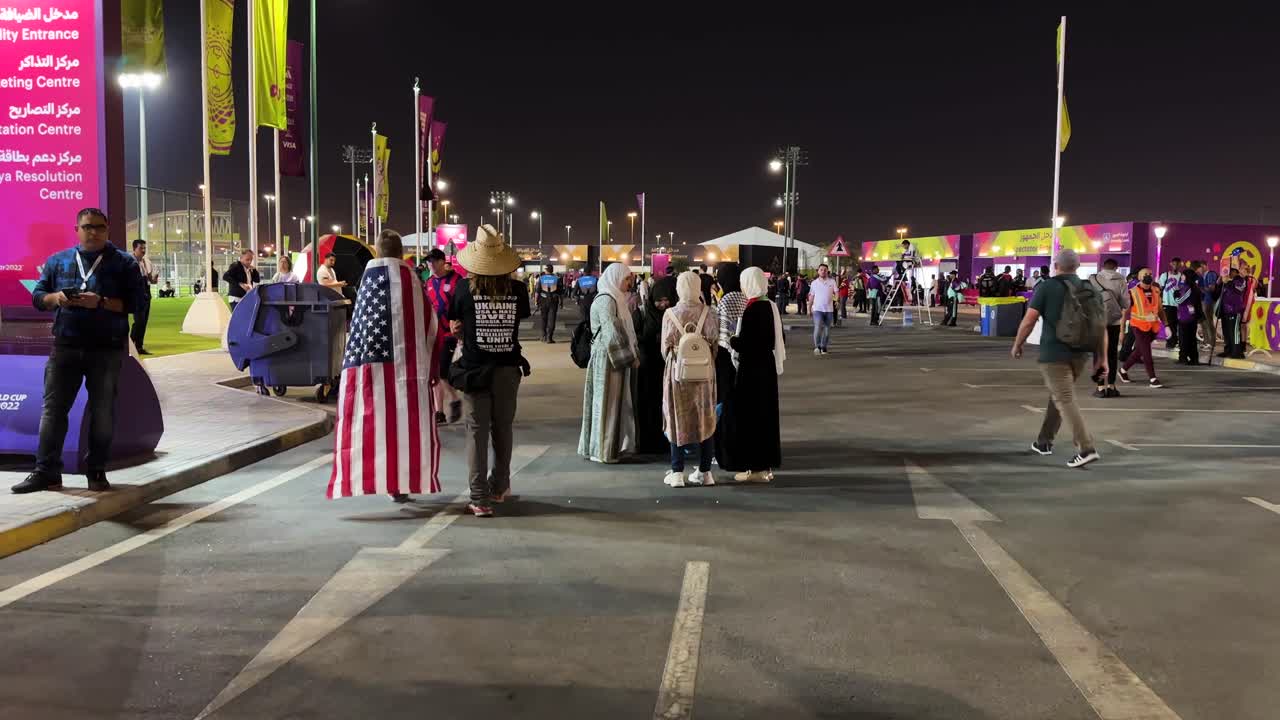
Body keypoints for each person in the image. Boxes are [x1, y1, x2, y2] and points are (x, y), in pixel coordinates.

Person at [12, 208, 143, 494]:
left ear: (107, 229)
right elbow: (37, 298)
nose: (93, 232)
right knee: (53, 411)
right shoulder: (58, 261)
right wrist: (55, 298)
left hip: (106, 348)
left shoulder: (124, 263)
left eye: (99, 227)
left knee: (102, 411)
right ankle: (46, 471)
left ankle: (96, 470)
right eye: (87, 227)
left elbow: (137, 304)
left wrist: (101, 302)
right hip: (66, 346)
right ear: (77, 229)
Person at [328, 229, 442, 505]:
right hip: (408, 372)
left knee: (376, 425)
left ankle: (382, 480)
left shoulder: (367, 282)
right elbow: (431, 325)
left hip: (369, 374)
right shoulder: (411, 282)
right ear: (401, 252)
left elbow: (357, 329)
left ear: (377, 250)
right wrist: (435, 368)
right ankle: (402, 482)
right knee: (405, 426)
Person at [447, 225, 531, 517]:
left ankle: (479, 497)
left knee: (476, 432)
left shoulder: (462, 289)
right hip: (507, 369)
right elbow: (520, 318)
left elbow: (454, 322)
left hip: (474, 370)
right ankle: (499, 487)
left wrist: (463, 327)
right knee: (503, 429)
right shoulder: (518, 290)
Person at [1011, 249, 1105, 468]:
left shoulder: (1047, 287)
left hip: (1053, 354)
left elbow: (1029, 320)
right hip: (1080, 353)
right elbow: (1101, 327)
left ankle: (1086, 447)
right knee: (1060, 395)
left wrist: (1018, 344)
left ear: (1056, 265)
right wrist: (1102, 358)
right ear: (1078, 266)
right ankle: (1044, 441)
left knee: (1064, 398)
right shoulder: (1090, 289)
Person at [660, 271, 720, 487]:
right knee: (706, 417)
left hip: (678, 374)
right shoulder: (709, 312)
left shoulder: (670, 313)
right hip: (704, 374)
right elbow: (714, 344)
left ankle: (677, 472)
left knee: (677, 417)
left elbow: (664, 348)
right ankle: (705, 472)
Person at [725, 267, 784, 482]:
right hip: (765, 368)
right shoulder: (769, 306)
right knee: (765, 415)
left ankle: (756, 469)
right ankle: (765, 466)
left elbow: (747, 343)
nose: (741, 287)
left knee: (753, 417)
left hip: (753, 370)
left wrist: (733, 339)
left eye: (743, 282)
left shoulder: (754, 309)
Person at [578, 262, 639, 464]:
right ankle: (603, 450)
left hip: (610, 357)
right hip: (608, 360)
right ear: (615, 278)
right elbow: (611, 333)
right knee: (607, 404)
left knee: (611, 403)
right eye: (626, 279)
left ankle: (609, 447)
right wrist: (629, 358)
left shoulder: (614, 299)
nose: (629, 283)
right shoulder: (607, 300)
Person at [633, 274, 677, 455]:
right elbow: (634, 338)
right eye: (659, 300)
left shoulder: (675, 315)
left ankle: (666, 441)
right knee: (647, 405)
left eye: (667, 300)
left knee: (666, 406)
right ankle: (647, 442)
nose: (663, 304)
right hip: (647, 368)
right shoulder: (641, 313)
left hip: (667, 369)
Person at [712, 263, 745, 469]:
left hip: (726, 359)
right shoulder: (745, 297)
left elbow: (723, 335)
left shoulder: (726, 300)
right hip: (744, 356)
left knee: (725, 405)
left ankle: (723, 450)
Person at [424, 248, 463, 425]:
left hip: (449, 333)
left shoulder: (457, 281)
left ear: (442, 262)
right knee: (434, 372)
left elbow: (463, 306)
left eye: (433, 261)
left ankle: (454, 399)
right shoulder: (429, 282)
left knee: (441, 371)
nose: (430, 264)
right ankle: (438, 411)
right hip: (432, 333)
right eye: (428, 262)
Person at [1090, 258, 1129, 397]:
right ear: (1116, 267)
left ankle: (1100, 388)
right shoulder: (1121, 280)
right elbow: (1126, 304)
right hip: (1114, 322)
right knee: (1112, 355)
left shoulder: (1094, 279)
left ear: (1103, 267)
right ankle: (1112, 386)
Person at [1119, 268, 1163, 388]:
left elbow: (1160, 309)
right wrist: (1122, 331)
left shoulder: (1156, 290)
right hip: (1138, 326)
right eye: (1145, 274)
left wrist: (1167, 325)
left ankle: (1123, 370)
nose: (1148, 276)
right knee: (1146, 352)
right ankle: (1153, 378)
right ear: (1139, 277)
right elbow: (1124, 312)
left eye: (1150, 274)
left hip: (1152, 327)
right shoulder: (1132, 292)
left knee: (1139, 351)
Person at [129, 239, 158, 354]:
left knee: (144, 321)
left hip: (146, 292)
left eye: (144, 248)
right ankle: (131, 344)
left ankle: (139, 346)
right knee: (139, 321)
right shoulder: (130, 262)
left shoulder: (147, 262)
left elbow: (151, 279)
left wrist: (154, 279)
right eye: (141, 248)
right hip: (136, 293)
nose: (143, 250)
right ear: (134, 249)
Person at [1175, 268, 1203, 366]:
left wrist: (1175, 296)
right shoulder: (1193, 287)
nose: (1181, 277)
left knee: (1184, 338)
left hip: (1186, 316)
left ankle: (1184, 357)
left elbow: (1180, 301)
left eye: (1183, 275)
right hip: (1190, 316)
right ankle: (1193, 358)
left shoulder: (1188, 288)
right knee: (1190, 338)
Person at [1219, 267, 1248, 359]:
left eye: (1232, 272)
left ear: (1237, 272)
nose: (1230, 273)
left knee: (1234, 332)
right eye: (1229, 272)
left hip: (1235, 311)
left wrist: (1228, 281)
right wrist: (1222, 281)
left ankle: (1236, 352)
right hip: (1225, 310)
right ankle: (1228, 350)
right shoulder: (1226, 281)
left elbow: (1239, 287)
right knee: (1227, 332)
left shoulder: (1240, 280)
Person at [809, 263, 837, 355]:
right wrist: (809, 308)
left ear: (827, 271)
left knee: (827, 330)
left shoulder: (832, 282)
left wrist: (837, 300)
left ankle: (824, 347)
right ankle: (817, 347)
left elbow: (836, 292)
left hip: (829, 310)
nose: (823, 271)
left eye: (825, 270)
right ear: (818, 271)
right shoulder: (814, 283)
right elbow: (811, 296)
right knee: (817, 327)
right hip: (817, 309)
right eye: (821, 269)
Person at [1195, 261, 1221, 360]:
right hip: (1203, 300)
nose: (1200, 269)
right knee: (1203, 322)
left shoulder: (1210, 274)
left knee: (1209, 322)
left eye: (1201, 267)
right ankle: (1206, 342)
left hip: (1208, 301)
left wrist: (1200, 289)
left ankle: (1212, 343)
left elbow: (1212, 288)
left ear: (1205, 266)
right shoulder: (1202, 276)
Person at [535, 262, 563, 343]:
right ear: (552, 270)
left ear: (546, 270)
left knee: (544, 319)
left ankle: (543, 336)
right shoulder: (557, 279)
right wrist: (561, 302)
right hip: (554, 301)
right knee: (552, 319)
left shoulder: (541, 278)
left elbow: (537, 291)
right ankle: (549, 337)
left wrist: (536, 301)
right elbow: (560, 293)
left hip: (543, 300)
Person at [1158, 257, 1182, 349]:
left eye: (1177, 264)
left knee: (1176, 323)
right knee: (1169, 323)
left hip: (1177, 304)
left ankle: (1174, 341)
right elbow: (1160, 289)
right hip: (1167, 303)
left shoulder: (1181, 276)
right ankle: (1171, 342)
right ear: (1171, 264)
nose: (1175, 266)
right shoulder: (1165, 275)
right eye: (1174, 264)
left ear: (1180, 265)